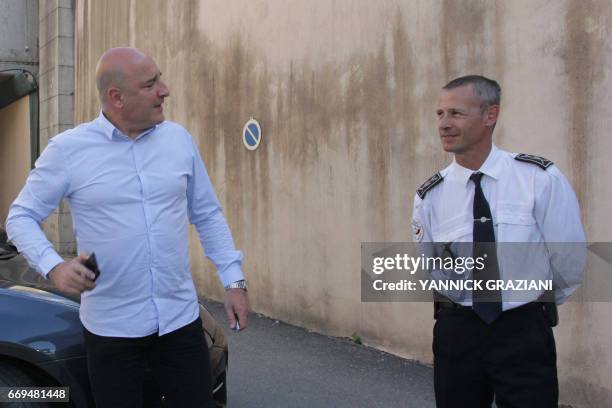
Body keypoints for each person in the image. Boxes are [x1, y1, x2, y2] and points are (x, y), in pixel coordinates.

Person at [5, 47, 249, 408]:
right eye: (151, 84)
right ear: (116, 97)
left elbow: (207, 213)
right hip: (112, 332)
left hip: (179, 322)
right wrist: (53, 266)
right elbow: (20, 216)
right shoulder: (69, 150)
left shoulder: (178, 140)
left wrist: (234, 280)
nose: (164, 90)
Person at [411, 75, 585, 408]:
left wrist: (530, 302)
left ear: (490, 115)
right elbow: (431, 267)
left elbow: (568, 257)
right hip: (458, 332)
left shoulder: (538, 179)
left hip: (522, 330)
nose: (444, 124)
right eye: (440, 114)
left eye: (456, 114)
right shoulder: (430, 196)